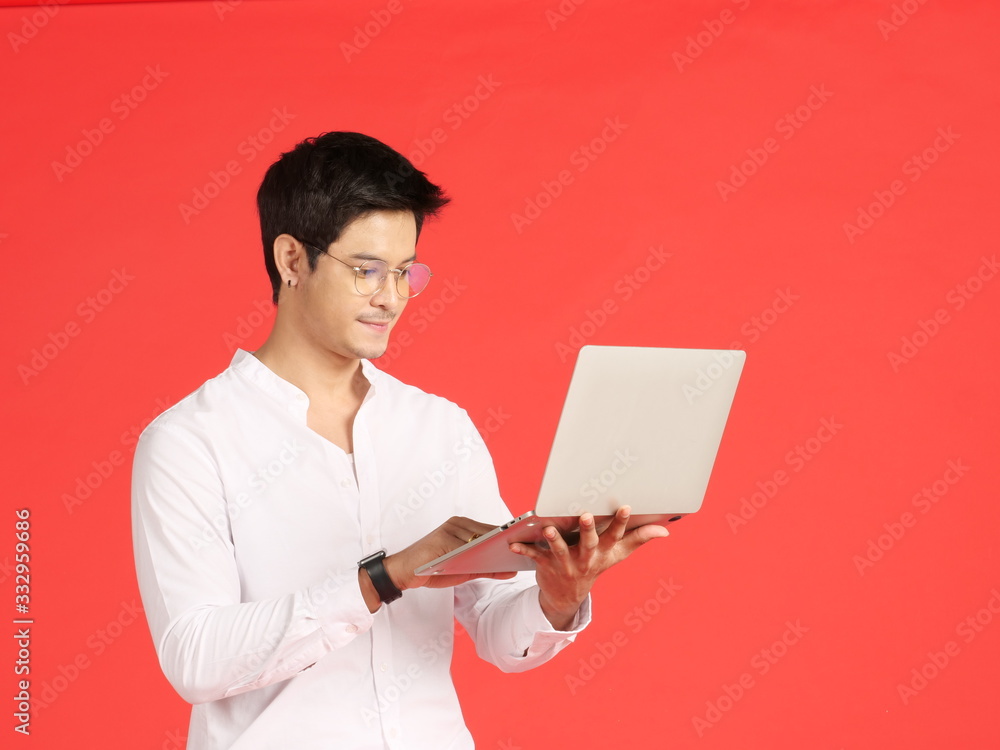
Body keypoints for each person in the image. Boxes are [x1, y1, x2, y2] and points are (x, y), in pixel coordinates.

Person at [131, 131, 668, 749]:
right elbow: (196, 659)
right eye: (366, 271)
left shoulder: (438, 427)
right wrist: (383, 577)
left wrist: (558, 597)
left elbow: (498, 629)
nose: (391, 298)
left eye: (405, 271)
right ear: (291, 260)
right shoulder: (190, 442)